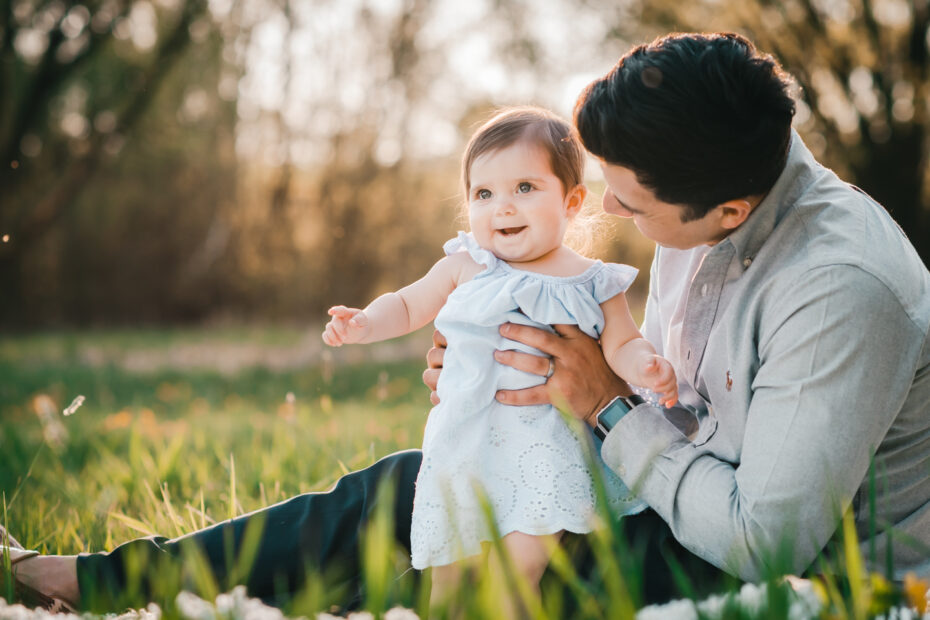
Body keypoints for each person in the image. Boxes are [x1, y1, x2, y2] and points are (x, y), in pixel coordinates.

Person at [3, 31, 929, 614]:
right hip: (683, 490)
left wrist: (605, 409)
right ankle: (111, 580)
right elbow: (678, 381)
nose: (606, 205)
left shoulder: (842, 291)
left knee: (459, 537)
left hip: (781, 561)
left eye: (631, 205)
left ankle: (112, 588)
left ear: (728, 210)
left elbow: (768, 538)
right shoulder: (707, 172)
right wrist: (510, 361)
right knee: (424, 486)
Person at [320, 105, 677, 611]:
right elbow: (407, 304)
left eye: (525, 189)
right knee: (450, 575)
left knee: (518, 574)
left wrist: (645, 364)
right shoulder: (467, 264)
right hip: (464, 449)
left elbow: (621, 342)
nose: (502, 208)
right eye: (483, 194)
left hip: (548, 455)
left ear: (573, 200)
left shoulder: (594, 280)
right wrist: (364, 323)